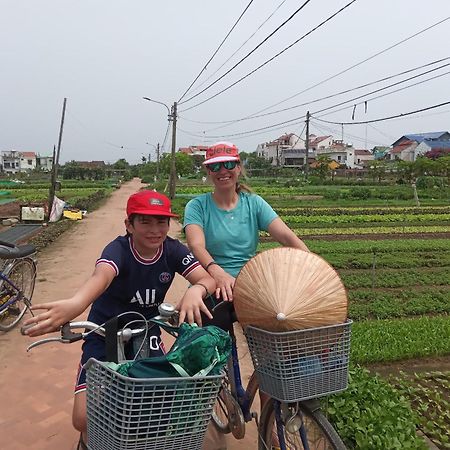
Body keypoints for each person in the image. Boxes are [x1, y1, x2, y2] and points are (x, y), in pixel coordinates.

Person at [24, 190, 216, 449]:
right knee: (83, 419)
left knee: (158, 403)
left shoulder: (171, 249)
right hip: (105, 332)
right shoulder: (119, 250)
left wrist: (196, 289)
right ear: (129, 225)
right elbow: (101, 277)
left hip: (147, 331)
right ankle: (87, 441)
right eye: (145, 221)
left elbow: (207, 279)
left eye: (161, 222)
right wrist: (76, 304)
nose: (155, 230)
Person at [184, 141, 309, 303]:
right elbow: (196, 246)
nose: (223, 171)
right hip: (211, 279)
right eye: (215, 166)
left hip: (248, 281)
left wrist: (314, 268)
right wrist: (218, 273)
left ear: (238, 167)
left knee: (280, 317)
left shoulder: (254, 203)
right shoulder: (197, 206)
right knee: (204, 324)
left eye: (228, 164)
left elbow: (287, 237)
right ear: (209, 171)